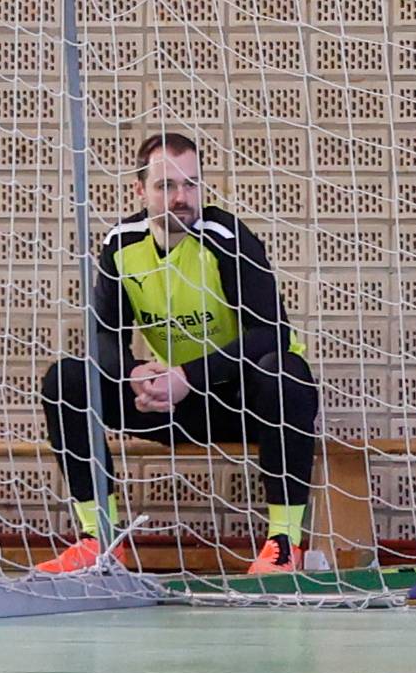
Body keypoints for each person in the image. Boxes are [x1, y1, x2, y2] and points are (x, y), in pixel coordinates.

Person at [37, 132, 320, 577]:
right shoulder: (122, 243)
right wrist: (134, 374)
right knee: (66, 380)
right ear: (140, 189)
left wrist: (188, 376)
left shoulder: (226, 237)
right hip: (169, 403)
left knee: (286, 371)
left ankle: (285, 543)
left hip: (243, 403)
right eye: (166, 185)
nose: (181, 198)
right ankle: (101, 538)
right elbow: (102, 335)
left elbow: (272, 333)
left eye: (190, 184)